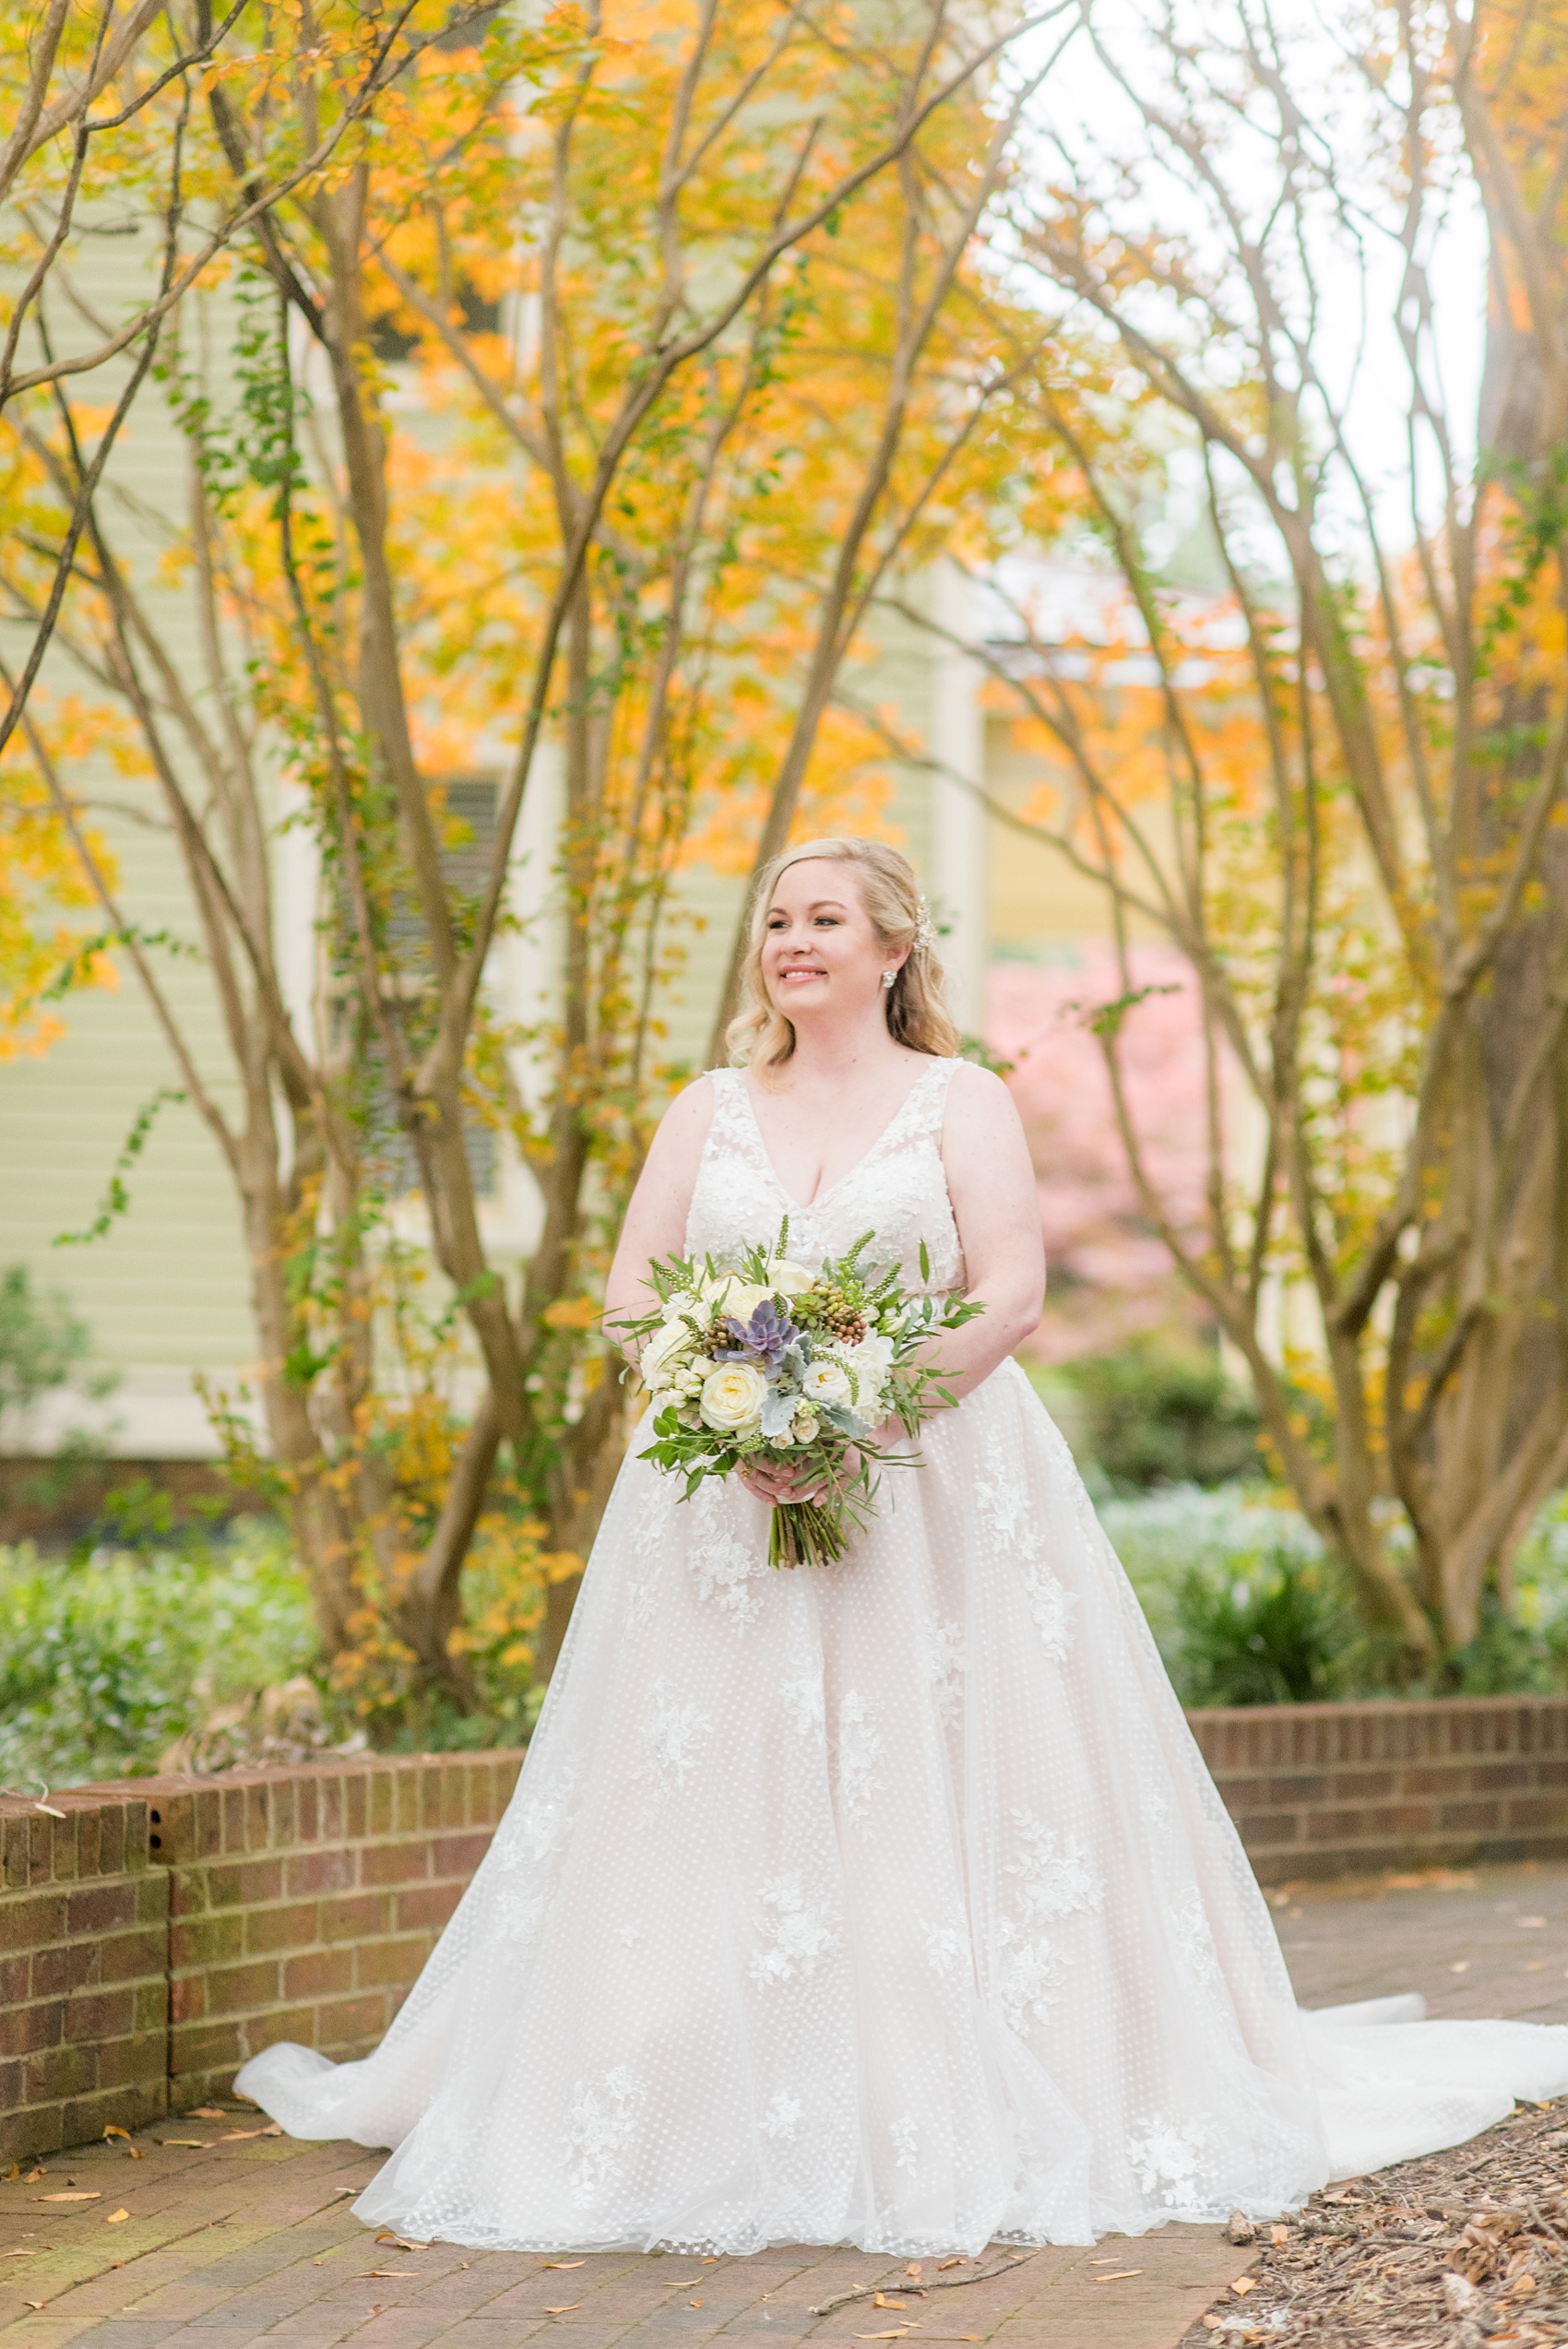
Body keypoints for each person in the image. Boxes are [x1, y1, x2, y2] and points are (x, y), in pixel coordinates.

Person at [237, 835, 1568, 2255]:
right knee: (717, 1770)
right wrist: (716, 1401)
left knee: (927, 1761)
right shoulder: (707, 1110)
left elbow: (1011, 1293)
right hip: (717, 1503)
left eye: (825, 919)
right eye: (777, 919)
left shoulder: (960, 1103)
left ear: (892, 950)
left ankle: (944, 2076)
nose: (792, 939)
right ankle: (690, 2070)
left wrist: (859, 1416)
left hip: (929, 1489)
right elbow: (633, 1287)